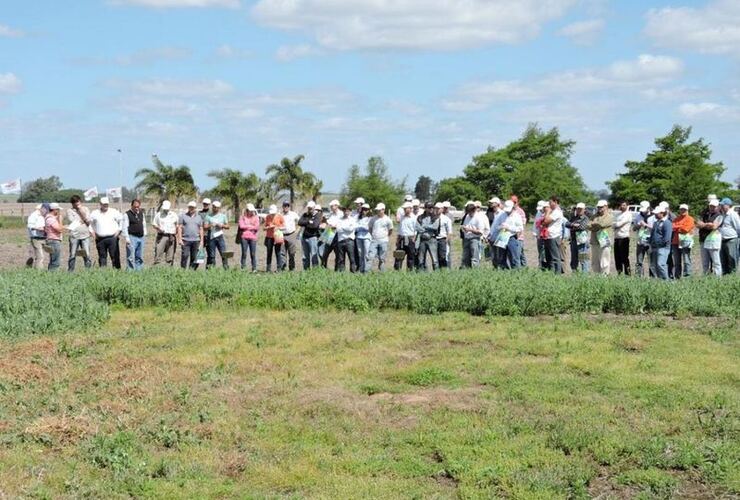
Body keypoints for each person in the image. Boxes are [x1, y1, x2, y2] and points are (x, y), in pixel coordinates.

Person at [89, 197, 122, 268]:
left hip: (112, 238)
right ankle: (103, 273)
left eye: (107, 204)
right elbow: (90, 225)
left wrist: (119, 230)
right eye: (104, 204)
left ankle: (117, 273)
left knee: (115, 257)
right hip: (100, 239)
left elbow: (121, 220)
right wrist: (93, 234)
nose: (105, 206)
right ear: (100, 204)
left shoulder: (114, 211)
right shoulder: (95, 213)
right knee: (102, 257)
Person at [696, 198, 723, 276]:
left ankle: (718, 278)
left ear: (718, 207)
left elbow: (714, 226)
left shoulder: (719, 216)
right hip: (703, 240)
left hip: (713, 241)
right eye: (711, 206)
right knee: (704, 262)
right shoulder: (705, 214)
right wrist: (708, 224)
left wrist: (703, 225)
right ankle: (706, 277)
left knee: (716, 261)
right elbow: (697, 224)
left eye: (714, 206)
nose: (712, 208)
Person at [66, 195, 93, 271]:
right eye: (74, 202)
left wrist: (80, 211)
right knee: (72, 254)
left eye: (77, 201)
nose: (76, 203)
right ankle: (71, 271)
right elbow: (73, 221)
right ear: (72, 203)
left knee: (87, 254)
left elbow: (88, 219)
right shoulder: (69, 211)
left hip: (85, 235)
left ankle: (88, 271)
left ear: (80, 201)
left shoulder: (85, 209)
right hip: (74, 236)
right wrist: (83, 221)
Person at [460, 201, 489, 268]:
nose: (469, 214)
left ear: (474, 210)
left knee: (475, 258)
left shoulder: (478, 218)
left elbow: (480, 232)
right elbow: (465, 225)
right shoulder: (467, 216)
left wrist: (470, 230)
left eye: (470, 212)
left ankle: (475, 271)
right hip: (466, 238)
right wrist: (464, 228)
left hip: (475, 239)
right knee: (465, 257)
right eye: (468, 212)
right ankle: (466, 270)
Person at [589, 200, 614, 276]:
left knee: (604, 261)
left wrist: (595, 224)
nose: (599, 208)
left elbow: (602, 224)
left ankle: (604, 278)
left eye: (601, 207)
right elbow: (588, 225)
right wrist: (596, 225)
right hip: (595, 241)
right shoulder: (594, 216)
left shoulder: (610, 216)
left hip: (604, 242)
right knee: (595, 261)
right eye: (598, 207)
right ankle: (596, 277)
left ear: (606, 207)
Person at [177, 201, 205, 270]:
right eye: (190, 207)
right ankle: (182, 270)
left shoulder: (199, 217)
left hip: (196, 240)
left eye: (193, 207)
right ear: (188, 208)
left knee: (194, 257)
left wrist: (201, 241)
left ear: (195, 208)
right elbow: (180, 228)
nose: (191, 208)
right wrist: (180, 239)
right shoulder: (183, 216)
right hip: (185, 240)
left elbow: (201, 229)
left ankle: (192, 271)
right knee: (185, 255)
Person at [671, 204, 695, 279]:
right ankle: (677, 277)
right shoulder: (676, 218)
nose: (683, 211)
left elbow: (686, 229)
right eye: (681, 209)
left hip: (685, 242)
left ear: (687, 210)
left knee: (686, 260)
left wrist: (678, 227)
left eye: (684, 209)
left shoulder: (690, 219)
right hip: (675, 242)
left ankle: (687, 276)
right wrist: (681, 227)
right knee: (677, 261)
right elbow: (672, 227)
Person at [122, 199, 147, 271]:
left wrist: (144, 234)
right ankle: (130, 270)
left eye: (138, 207)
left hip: (141, 237)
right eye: (135, 207)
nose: (136, 208)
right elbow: (125, 227)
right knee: (130, 256)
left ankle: (139, 270)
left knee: (139, 255)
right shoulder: (127, 214)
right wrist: (127, 238)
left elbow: (144, 224)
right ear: (131, 206)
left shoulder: (141, 213)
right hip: (132, 237)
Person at [497, 200, 524, 269]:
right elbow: (497, 226)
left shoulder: (517, 216)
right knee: (501, 257)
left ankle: (516, 272)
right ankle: (504, 272)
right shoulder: (501, 215)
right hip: (502, 237)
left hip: (512, 237)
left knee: (514, 257)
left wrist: (508, 228)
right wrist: (500, 227)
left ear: (512, 208)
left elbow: (520, 228)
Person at [541, 196, 565, 273]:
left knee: (555, 257)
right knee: (549, 257)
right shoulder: (553, 211)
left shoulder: (557, 212)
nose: (549, 204)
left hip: (554, 236)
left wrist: (547, 212)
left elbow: (546, 221)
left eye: (550, 202)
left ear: (556, 202)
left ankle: (557, 274)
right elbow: (543, 221)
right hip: (548, 236)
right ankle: (551, 272)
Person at [649, 204, 672, 280]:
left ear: (662, 213)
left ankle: (666, 281)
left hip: (663, 247)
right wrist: (651, 243)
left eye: (657, 213)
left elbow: (667, 237)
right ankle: (660, 281)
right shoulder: (656, 222)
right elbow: (653, 234)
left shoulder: (667, 223)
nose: (655, 214)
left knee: (661, 264)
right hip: (655, 247)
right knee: (655, 266)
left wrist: (659, 244)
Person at [368, 203, 393, 272]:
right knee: (370, 256)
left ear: (383, 210)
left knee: (382, 258)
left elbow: (390, 230)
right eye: (377, 210)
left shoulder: (388, 219)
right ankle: (366, 272)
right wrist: (373, 235)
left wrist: (386, 236)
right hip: (374, 240)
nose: (378, 211)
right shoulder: (373, 219)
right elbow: (370, 228)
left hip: (384, 241)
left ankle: (382, 271)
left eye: (379, 210)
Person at [565, 202, 590, 273]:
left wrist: (572, 226)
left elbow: (582, 227)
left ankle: (584, 276)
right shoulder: (574, 217)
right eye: (578, 209)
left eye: (580, 209)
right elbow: (566, 224)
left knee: (584, 259)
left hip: (582, 242)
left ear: (584, 209)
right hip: (573, 241)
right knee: (574, 259)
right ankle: (575, 274)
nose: (579, 210)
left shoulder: (586, 218)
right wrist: (574, 225)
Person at [152, 200, 178, 266]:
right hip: (161, 236)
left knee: (170, 255)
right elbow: (154, 224)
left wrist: (175, 234)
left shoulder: (174, 215)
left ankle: (168, 270)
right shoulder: (158, 215)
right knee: (158, 253)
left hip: (171, 236)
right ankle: (157, 269)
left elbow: (177, 225)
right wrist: (158, 228)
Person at [205, 200, 230, 269]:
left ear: (219, 208)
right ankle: (213, 270)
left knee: (223, 253)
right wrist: (210, 225)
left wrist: (222, 225)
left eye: (217, 207)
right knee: (212, 255)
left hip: (220, 236)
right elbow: (205, 227)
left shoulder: (223, 216)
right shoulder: (208, 216)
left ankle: (226, 268)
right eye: (214, 207)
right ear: (212, 207)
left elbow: (228, 226)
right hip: (211, 237)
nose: (215, 208)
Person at [395, 201, 419, 271]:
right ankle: (397, 271)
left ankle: (410, 271)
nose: (405, 210)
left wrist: (414, 239)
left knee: (410, 257)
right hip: (401, 238)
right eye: (404, 208)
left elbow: (416, 229)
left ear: (410, 209)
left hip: (410, 238)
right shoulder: (401, 217)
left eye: (406, 208)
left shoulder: (414, 218)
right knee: (398, 256)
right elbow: (400, 228)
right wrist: (397, 239)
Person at [416, 201, 440, 271]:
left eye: (432, 207)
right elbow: (417, 227)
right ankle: (421, 274)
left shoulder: (436, 217)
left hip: (432, 239)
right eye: (429, 207)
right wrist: (427, 228)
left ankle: (436, 274)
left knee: (434, 259)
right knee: (421, 259)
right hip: (422, 240)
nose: (431, 209)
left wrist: (424, 227)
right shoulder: (420, 217)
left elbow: (435, 227)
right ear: (425, 208)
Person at [298, 201, 322, 270]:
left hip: (313, 238)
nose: (309, 209)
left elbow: (315, 226)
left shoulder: (317, 215)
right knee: (305, 256)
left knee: (314, 255)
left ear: (314, 208)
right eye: (308, 208)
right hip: (304, 237)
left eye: (311, 208)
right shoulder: (305, 214)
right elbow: (300, 222)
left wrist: (305, 223)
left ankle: (315, 271)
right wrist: (308, 222)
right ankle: (306, 270)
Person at [718, 197, 739, 275]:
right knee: (723, 259)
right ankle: (726, 276)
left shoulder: (733, 214)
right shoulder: (723, 214)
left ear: (728, 205)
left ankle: (732, 275)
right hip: (723, 240)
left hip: (731, 239)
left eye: (723, 205)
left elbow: (738, 227)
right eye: (721, 205)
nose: (722, 206)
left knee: (731, 258)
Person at [238, 204, 260, 272]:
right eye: (250, 211)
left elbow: (257, 227)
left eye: (252, 211)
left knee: (253, 253)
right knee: (244, 253)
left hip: (253, 238)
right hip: (244, 237)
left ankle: (254, 268)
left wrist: (247, 226)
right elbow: (241, 226)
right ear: (247, 210)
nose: (251, 212)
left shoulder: (256, 217)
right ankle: (243, 268)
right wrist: (251, 226)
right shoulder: (242, 217)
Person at [335, 205, 357, 272]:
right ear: (343, 211)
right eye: (345, 211)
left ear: (350, 212)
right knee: (341, 259)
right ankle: (342, 273)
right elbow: (338, 229)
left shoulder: (353, 220)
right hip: (340, 241)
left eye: (348, 211)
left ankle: (353, 272)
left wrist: (343, 227)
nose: (346, 212)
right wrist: (346, 228)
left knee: (352, 258)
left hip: (349, 241)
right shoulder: (339, 219)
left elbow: (351, 229)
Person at [632, 201, 652, 277]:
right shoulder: (638, 216)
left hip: (650, 241)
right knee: (639, 261)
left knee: (651, 261)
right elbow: (633, 228)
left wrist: (646, 225)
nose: (643, 212)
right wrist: (638, 225)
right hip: (640, 241)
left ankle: (652, 277)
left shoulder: (653, 216)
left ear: (648, 208)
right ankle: (638, 277)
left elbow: (656, 229)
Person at [321, 200, 342, 269]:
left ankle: (337, 269)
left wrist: (334, 226)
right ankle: (323, 268)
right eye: (331, 206)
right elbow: (328, 223)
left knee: (338, 254)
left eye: (332, 206)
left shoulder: (341, 214)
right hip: (329, 233)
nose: (331, 207)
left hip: (337, 235)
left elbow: (341, 224)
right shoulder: (330, 214)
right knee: (325, 253)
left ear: (337, 206)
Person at [486, 199, 506, 268]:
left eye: (492, 202)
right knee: (493, 256)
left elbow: (503, 225)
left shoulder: (502, 213)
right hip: (492, 237)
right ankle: (495, 268)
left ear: (497, 203)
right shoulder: (491, 213)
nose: (491, 204)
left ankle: (500, 269)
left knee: (499, 255)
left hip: (499, 237)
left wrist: (498, 228)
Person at [613, 201, 632, 275]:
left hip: (624, 238)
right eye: (621, 205)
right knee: (617, 258)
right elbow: (613, 223)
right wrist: (615, 224)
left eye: (624, 205)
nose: (622, 206)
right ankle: (619, 273)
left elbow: (618, 224)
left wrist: (616, 224)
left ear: (627, 206)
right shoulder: (618, 214)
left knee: (624, 257)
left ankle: (628, 274)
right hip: (617, 238)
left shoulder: (628, 214)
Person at [279, 201, 300, 271]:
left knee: (292, 253)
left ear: (289, 207)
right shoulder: (280, 215)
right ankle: (283, 268)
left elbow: (300, 222)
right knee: (282, 253)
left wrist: (297, 231)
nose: (286, 207)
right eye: (284, 206)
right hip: (281, 235)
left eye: (287, 206)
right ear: (282, 207)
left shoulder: (293, 214)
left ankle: (292, 268)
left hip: (291, 235)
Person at [263, 204, 283, 272]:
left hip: (277, 236)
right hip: (269, 237)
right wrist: (268, 227)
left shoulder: (280, 216)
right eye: (271, 213)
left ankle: (279, 268)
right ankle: (268, 269)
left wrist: (278, 227)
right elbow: (264, 228)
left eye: (273, 213)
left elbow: (284, 226)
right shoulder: (267, 217)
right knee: (269, 253)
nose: (272, 215)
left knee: (278, 252)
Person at [26, 204, 47, 269]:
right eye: (45, 209)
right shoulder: (33, 215)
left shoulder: (42, 216)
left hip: (42, 237)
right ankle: (39, 272)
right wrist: (39, 228)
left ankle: (29, 268)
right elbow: (30, 226)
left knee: (36, 255)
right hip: (36, 237)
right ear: (40, 209)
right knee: (40, 256)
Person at [44, 203, 63, 271]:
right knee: (55, 261)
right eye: (58, 210)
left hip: (52, 240)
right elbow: (59, 229)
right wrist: (60, 220)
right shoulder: (51, 219)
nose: (58, 211)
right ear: (54, 210)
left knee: (53, 259)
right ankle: (53, 275)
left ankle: (50, 275)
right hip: (54, 240)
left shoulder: (49, 218)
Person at [510, 195, 528, 267]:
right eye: (512, 202)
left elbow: (522, 225)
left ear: (517, 202)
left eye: (515, 202)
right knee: (515, 254)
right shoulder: (509, 210)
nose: (513, 204)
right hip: (511, 236)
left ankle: (523, 268)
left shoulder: (520, 211)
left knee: (519, 254)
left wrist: (519, 234)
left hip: (519, 236)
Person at [355, 203, 372, 272]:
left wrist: (360, 227)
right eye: (364, 209)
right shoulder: (359, 217)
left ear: (369, 210)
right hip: (359, 237)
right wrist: (361, 227)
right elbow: (355, 227)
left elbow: (367, 228)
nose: (365, 211)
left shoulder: (370, 218)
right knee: (360, 253)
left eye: (366, 209)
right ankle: (361, 269)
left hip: (367, 237)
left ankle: (366, 269)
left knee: (366, 254)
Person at [436, 202, 452, 269]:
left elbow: (449, 232)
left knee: (443, 256)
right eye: (436, 208)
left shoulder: (446, 219)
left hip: (442, 239)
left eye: (438, 208)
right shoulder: (433, 218)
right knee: (436, 257)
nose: (437, 210)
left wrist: (446, 241)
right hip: (434, 239)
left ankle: (444, 270)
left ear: (442, 209)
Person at [198, 198, 212, 269]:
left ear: (209, 204)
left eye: (207, 204)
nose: (205, 205)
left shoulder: (212, 213)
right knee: (200, 253)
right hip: (201, 235)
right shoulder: (199, 213)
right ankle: (194, 269)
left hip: (210, 235)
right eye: (204, 204)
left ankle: (208, 269)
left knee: (210, 254)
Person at [441, 201, 454, 266]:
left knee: (448, 252)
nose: (445, 209)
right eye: (444, 207)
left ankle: (448, 266)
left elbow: (449, 227)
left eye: (446, 208)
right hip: (441, 236)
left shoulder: (450, 216)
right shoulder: (439, 214)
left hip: (447, 236)